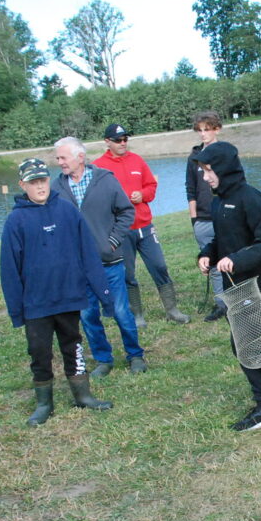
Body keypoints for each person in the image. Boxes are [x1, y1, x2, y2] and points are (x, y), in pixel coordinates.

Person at [0, 158, 115, 427]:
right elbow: (9, 271)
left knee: (73, 346)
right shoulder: (16, 220)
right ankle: (44, 403)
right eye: (33, 182)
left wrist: (104, 296)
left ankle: (82, 395)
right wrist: (17, 312)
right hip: (36, 304)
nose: (39, 186)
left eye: (42, 180)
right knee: (39, 351)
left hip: (68, 298)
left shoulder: (67, 210)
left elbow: (88, 255)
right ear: (22, 185)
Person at [192, 141, 261, 432]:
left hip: (258, 282)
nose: (206, 177)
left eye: (209, 170)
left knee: (243, 343)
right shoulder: (218, 201)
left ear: (225, 168)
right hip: (236, 284)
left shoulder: (250, 197)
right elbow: (222, 239)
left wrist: (237, 259)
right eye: (203, 171)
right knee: (254, 342)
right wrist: (207, 253)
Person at [51, 136, 148, 377]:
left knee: (121, 311)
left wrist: (112, 241)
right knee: (88, 315)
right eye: (58, 158)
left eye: (63, 157)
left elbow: (126, 212)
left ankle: (135, 355)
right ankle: (103, 359)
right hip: (78, 267)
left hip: (110, 262)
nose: (59, 162)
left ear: (80, 157)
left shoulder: (105, 180)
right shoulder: (55, 188)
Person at [94, 123, 191, 327]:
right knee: (128, 273)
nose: (123, 143)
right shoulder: (98, 167)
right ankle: (137, 315)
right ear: (107, 142)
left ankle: (172, 310)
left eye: (125, 139)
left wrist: (143, 195)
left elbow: (151, 186)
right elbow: (97, 199)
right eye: (118, 140)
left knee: (159, 266)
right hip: (121, 231)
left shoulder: (137, 160)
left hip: (145, 226)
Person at [186, 110, 227, 321]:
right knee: (211, 263)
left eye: (207, 130)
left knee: (230, 258)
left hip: (224, 215)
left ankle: (240, 299)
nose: (203, 134)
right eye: (199, 131)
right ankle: (221, 304)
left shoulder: (225, 153)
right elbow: (190, 190)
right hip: (202, 218)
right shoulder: (194, 157)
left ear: (216, 129)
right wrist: (194, 220)